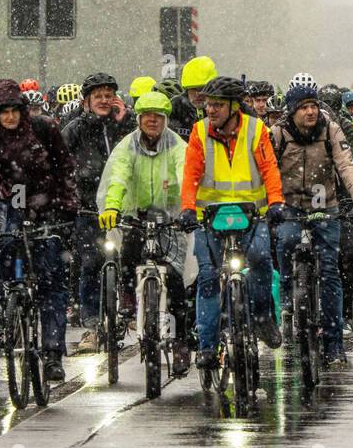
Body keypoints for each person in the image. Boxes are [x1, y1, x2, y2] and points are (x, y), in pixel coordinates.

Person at [0, 80, 79, 381]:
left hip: (48, 206)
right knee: (4, 254)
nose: (11, 117)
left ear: (23, 111)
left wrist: (69, 205)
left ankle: (53, 353)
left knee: (52, 281)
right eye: (4, 112)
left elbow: (65, 167)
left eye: (15, 111)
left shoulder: (44, 128)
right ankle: (1, 314)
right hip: (11, 204)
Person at [181, 75, 286, 368]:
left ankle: (263, 317)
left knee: (262, 259)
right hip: (210, 217)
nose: (210, 111)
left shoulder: (256, 129)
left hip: (251, 215)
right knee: (208, 277)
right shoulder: (199, 132)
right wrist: (188, 208)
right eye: (207, 105)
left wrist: (275, 201)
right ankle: (207, 345)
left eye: (216, 105)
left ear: (233, 107)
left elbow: (269, 169)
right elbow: (190, 174)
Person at [269, 82, 353, 367]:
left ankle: (334, 343)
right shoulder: (277, 134)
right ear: (292, 110)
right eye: (304, 107)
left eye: (314, 105)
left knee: (330, 272)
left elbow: (346, 165)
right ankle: (288, 295)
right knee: (286, 242)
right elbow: (265, 169)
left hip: (326, 206)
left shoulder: (330, 128)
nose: (311, 111)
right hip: (289, 206)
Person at [96, 90, 192, 374]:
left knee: (175, 278)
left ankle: (181, 343)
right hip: (135, 214)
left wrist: (188, 208)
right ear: (138, 119)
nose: (152, 120)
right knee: (127, 256)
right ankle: (128, 298)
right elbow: (118, 176)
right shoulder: (127, 147)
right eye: (146, 116)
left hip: (169, 217)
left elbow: (185, 173)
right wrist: (112, 207)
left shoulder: (177, 145)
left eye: (158, 116)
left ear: (165, 120)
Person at [62, 72, 134, 351]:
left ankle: (128, 312)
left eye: (108, 95)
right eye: (98, 96)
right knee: (90, 263)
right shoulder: (75, 129)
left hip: (122, 206)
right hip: (88, 207)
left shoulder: (125, 126)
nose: (104, 100)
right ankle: (91, 325)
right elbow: (59, 164)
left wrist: (125, 122)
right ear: (87, 101)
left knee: (128, 257)